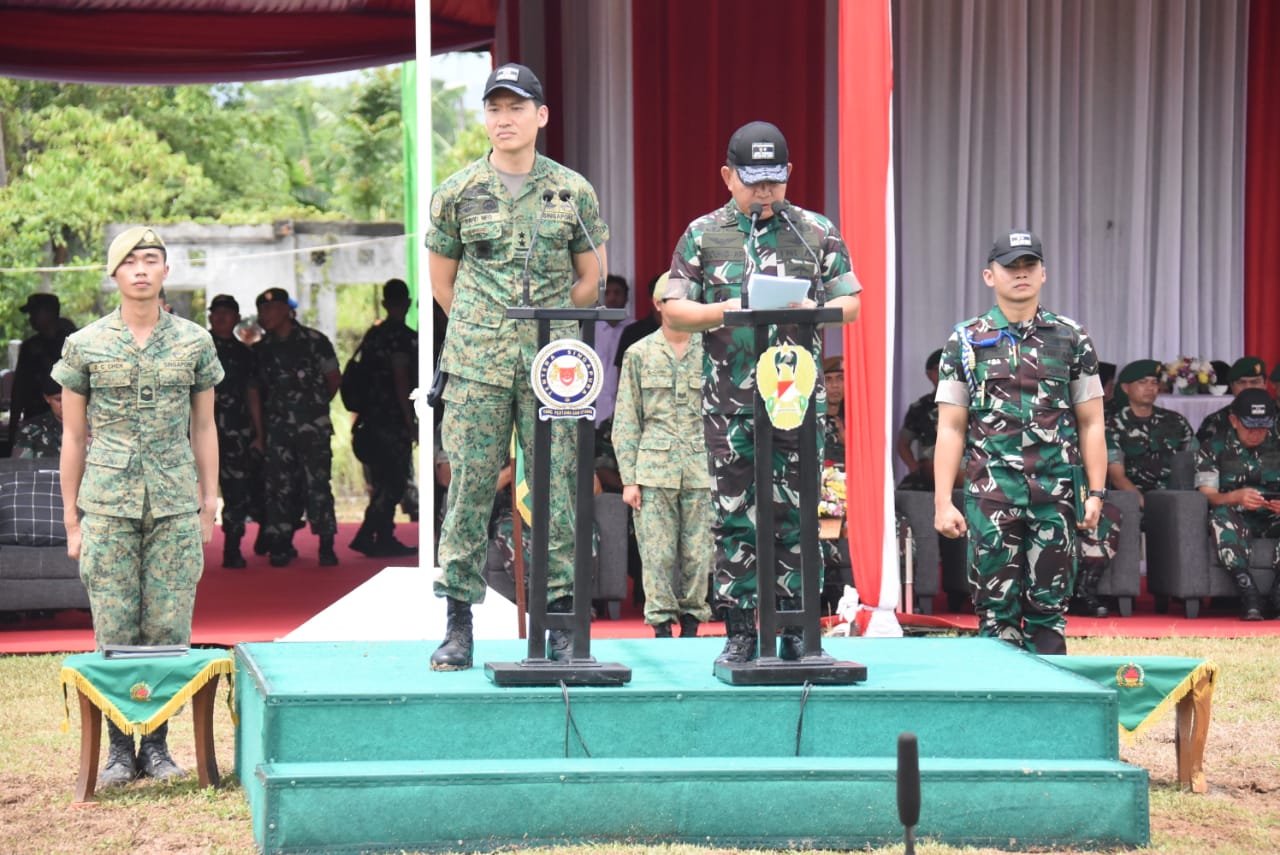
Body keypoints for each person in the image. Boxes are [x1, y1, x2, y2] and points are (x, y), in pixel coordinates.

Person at [426, 62, 609, 671]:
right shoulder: (456, 191)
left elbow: (593, 277)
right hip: (477, 364)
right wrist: (491, 328)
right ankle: (458, 624)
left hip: (552, 368)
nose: (503, 120)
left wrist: (551, 325)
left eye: (515, 108)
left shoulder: (572, 190)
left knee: (557, 489)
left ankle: (559, 620)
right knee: (472, 489)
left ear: (541, 116)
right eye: (494, 109)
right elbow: (443, 283)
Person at [662, 120, 861, 664]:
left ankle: (798, 627)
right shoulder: (704, 234)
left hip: (797, 401)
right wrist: (723, 311)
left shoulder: (814, 231)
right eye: (753, 180)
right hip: (731, 403)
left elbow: (851, 303)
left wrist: (809, 310)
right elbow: (673, 306)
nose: (765, 191)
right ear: (728, 176)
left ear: (789, 174)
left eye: (775, 179)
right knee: (734, 513)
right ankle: (740, 630)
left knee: (798, 513)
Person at [52, 226, 222, 787]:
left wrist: (208, 501)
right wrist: (73, 520)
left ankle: (158, 746)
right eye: (131, 262)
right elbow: (73, 439)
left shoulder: (194, 341)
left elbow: (204, 425)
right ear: (115, 274)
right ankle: (120, 751)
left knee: (169, 627)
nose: (142, 270)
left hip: (174, 502)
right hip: (108, 505)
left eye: (152, 260)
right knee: (115, 629)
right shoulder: (86, 345)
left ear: (166, 272)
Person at [932, 230, 1106, 655]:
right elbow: (951, 427)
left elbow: (1092, 421)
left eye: (1029, 266)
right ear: (989, 276)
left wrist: (1097, 491)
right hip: (992, 493)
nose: (1021, 274)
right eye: (1011, 267)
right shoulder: (965, 340)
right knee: (995, 613)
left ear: (1044, 274)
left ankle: (1054, 710)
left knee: (1049, 611)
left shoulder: (1071, 337)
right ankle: (1000, 710)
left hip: (1056, 492)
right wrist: (942, 501)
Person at [613, 272, 713, 638]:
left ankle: (691, 621)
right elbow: (626, 418)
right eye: (674, 302)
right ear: (657, 306)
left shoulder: (712, 350)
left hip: (702, 468)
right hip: (653, 469)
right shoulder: (639, 353)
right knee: (656, 553)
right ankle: (660, 622)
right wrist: (629, 479)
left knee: (699, 552)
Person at [248, 287, 341, 567]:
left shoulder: (314, 341)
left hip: (313, 430)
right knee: (279, 488)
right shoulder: (261, 350)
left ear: (287, 310)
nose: (264, 315)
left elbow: (334, 378)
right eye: (261, 310)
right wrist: (260, 435)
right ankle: (281, 544)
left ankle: (326, 543)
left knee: (318, 486)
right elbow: (253, 392)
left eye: (270, 309)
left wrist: (315, 410)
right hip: (278, 432)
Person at [1194, 388, 1280, 620]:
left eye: (1263, 426)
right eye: (1250, 425)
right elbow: (1208, 496)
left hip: (1273, 517)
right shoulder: (1213, 448)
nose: (1256, 433)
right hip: (1236, 517)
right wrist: (1235, 497)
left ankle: (1277, 596)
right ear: (1234, 420)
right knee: (1220, 516)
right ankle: (1248, 593)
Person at [349, 278, 419, 558]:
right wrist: (409, 420)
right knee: (395, 481)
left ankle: (377, 535)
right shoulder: (401, 336)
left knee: (383, 480)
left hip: (371, 418)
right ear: (407, 303)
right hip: (391, 420)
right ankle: (372, 534)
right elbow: (401, 379)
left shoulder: (372, 335)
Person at [208, 294, 261, 568]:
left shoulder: (245, 355)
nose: (220, 317)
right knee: (190, 494)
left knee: (237, 492)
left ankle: (232, 547)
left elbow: (253, 393)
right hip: (199, 435)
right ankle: (186, 553)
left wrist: (259, 433)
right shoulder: (195, 349)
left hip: (236, 434)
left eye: (227, 313)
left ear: (237, 319)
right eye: (216, 313)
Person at [1107, 359, 1197, 501]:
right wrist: (1145, 504)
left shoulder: (1176, 421)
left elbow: (1193, 462)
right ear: (1125, 388)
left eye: (1154, 383)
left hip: (1174, 499)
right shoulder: (1112, 425)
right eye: (1142, 382)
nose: (1150, 388)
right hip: (1132, 500)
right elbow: (1117, 477)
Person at [7, 293, 74, 451]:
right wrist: (12, 431)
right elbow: (19, 391)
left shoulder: (74, 342)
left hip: (72, 417)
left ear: (49, 312)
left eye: (34, 313)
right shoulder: (31, 347)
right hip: (36, 421)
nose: (31, 319)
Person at [896, 348, 942, 490]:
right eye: (938, 369)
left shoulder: (973, 404)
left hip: (966, 476)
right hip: (931, 475)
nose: (945, 374)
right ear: (929, 375)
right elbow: (903, 444)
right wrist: (914, 467)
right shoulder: (920, 408)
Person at [592, 274, 633, 426]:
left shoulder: (634, 329)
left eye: (617, 293)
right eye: (606, 293)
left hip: (624, 407)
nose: (612, 298)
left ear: (626, 297)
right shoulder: (588, 329)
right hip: (593, 406)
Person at [1196, 357, 1268, 444]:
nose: (1248, 387)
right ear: (1232, 387)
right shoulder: (1215, 421)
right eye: (1241, 382)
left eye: (1255, 382)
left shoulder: (1277, 418)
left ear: (1265, 384)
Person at [11, 376, 64, 459]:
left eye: (70, 399)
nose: (65, 404)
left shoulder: (90, 426)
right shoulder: (31, 429)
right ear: (47, 398)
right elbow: (20, 467)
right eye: (59, 400)